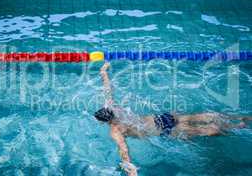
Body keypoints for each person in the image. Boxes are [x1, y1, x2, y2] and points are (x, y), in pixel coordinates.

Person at [94, 62, 251, 176]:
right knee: (205, 116)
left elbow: (124, 150)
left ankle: (238, 127)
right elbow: (107, 89)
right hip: (163, 118)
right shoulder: (112, 106)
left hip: (164, 130)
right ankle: (241, 117)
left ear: (105, 121)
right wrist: (104, 72)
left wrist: (130, 170)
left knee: (208, 131)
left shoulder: (115, 130)